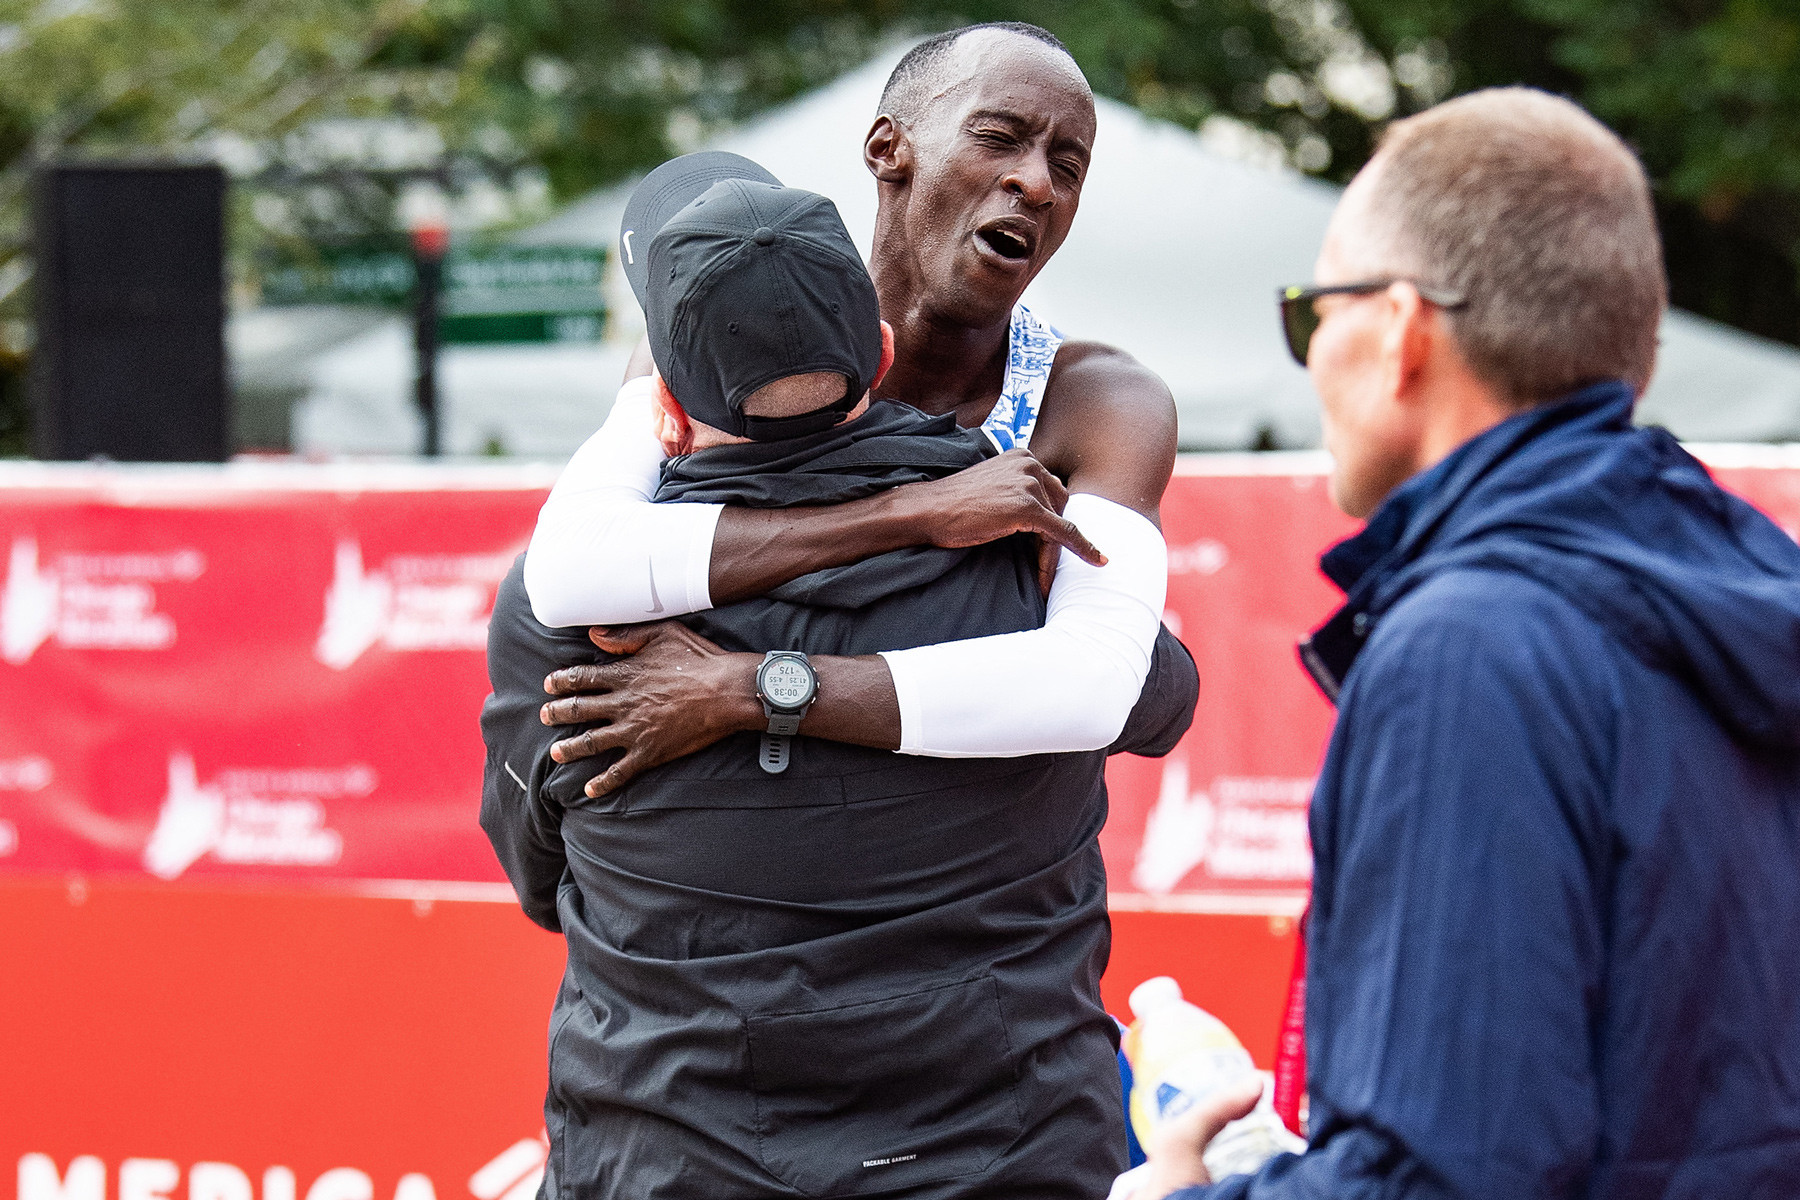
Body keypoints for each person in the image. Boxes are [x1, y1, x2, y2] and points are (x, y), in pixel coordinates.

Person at [1129, 88, 1800, 1199]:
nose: (1307, 360)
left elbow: (1441, 1178)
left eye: (1311, 314)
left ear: (1399, 331)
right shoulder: (1738, 596)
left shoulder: (1474, 647)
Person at [482, 160, 1197, 1198]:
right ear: (883, 351)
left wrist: (752, 707)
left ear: (662, 405)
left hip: (667, 1159)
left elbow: (542, 878)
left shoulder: (568, 613)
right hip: (1017, 1160)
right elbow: (1157, 696)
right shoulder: (1034, 543)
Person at [525, 22, 1189, 789]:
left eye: (1067, 166)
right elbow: (567, 572)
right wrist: (921, 512)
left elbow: (1114, 687)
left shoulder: (1099, 400)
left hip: (976, 885)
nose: (1037, 183)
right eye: (998, 137)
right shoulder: (715, 328)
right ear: (887, 148)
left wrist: (746, 688)